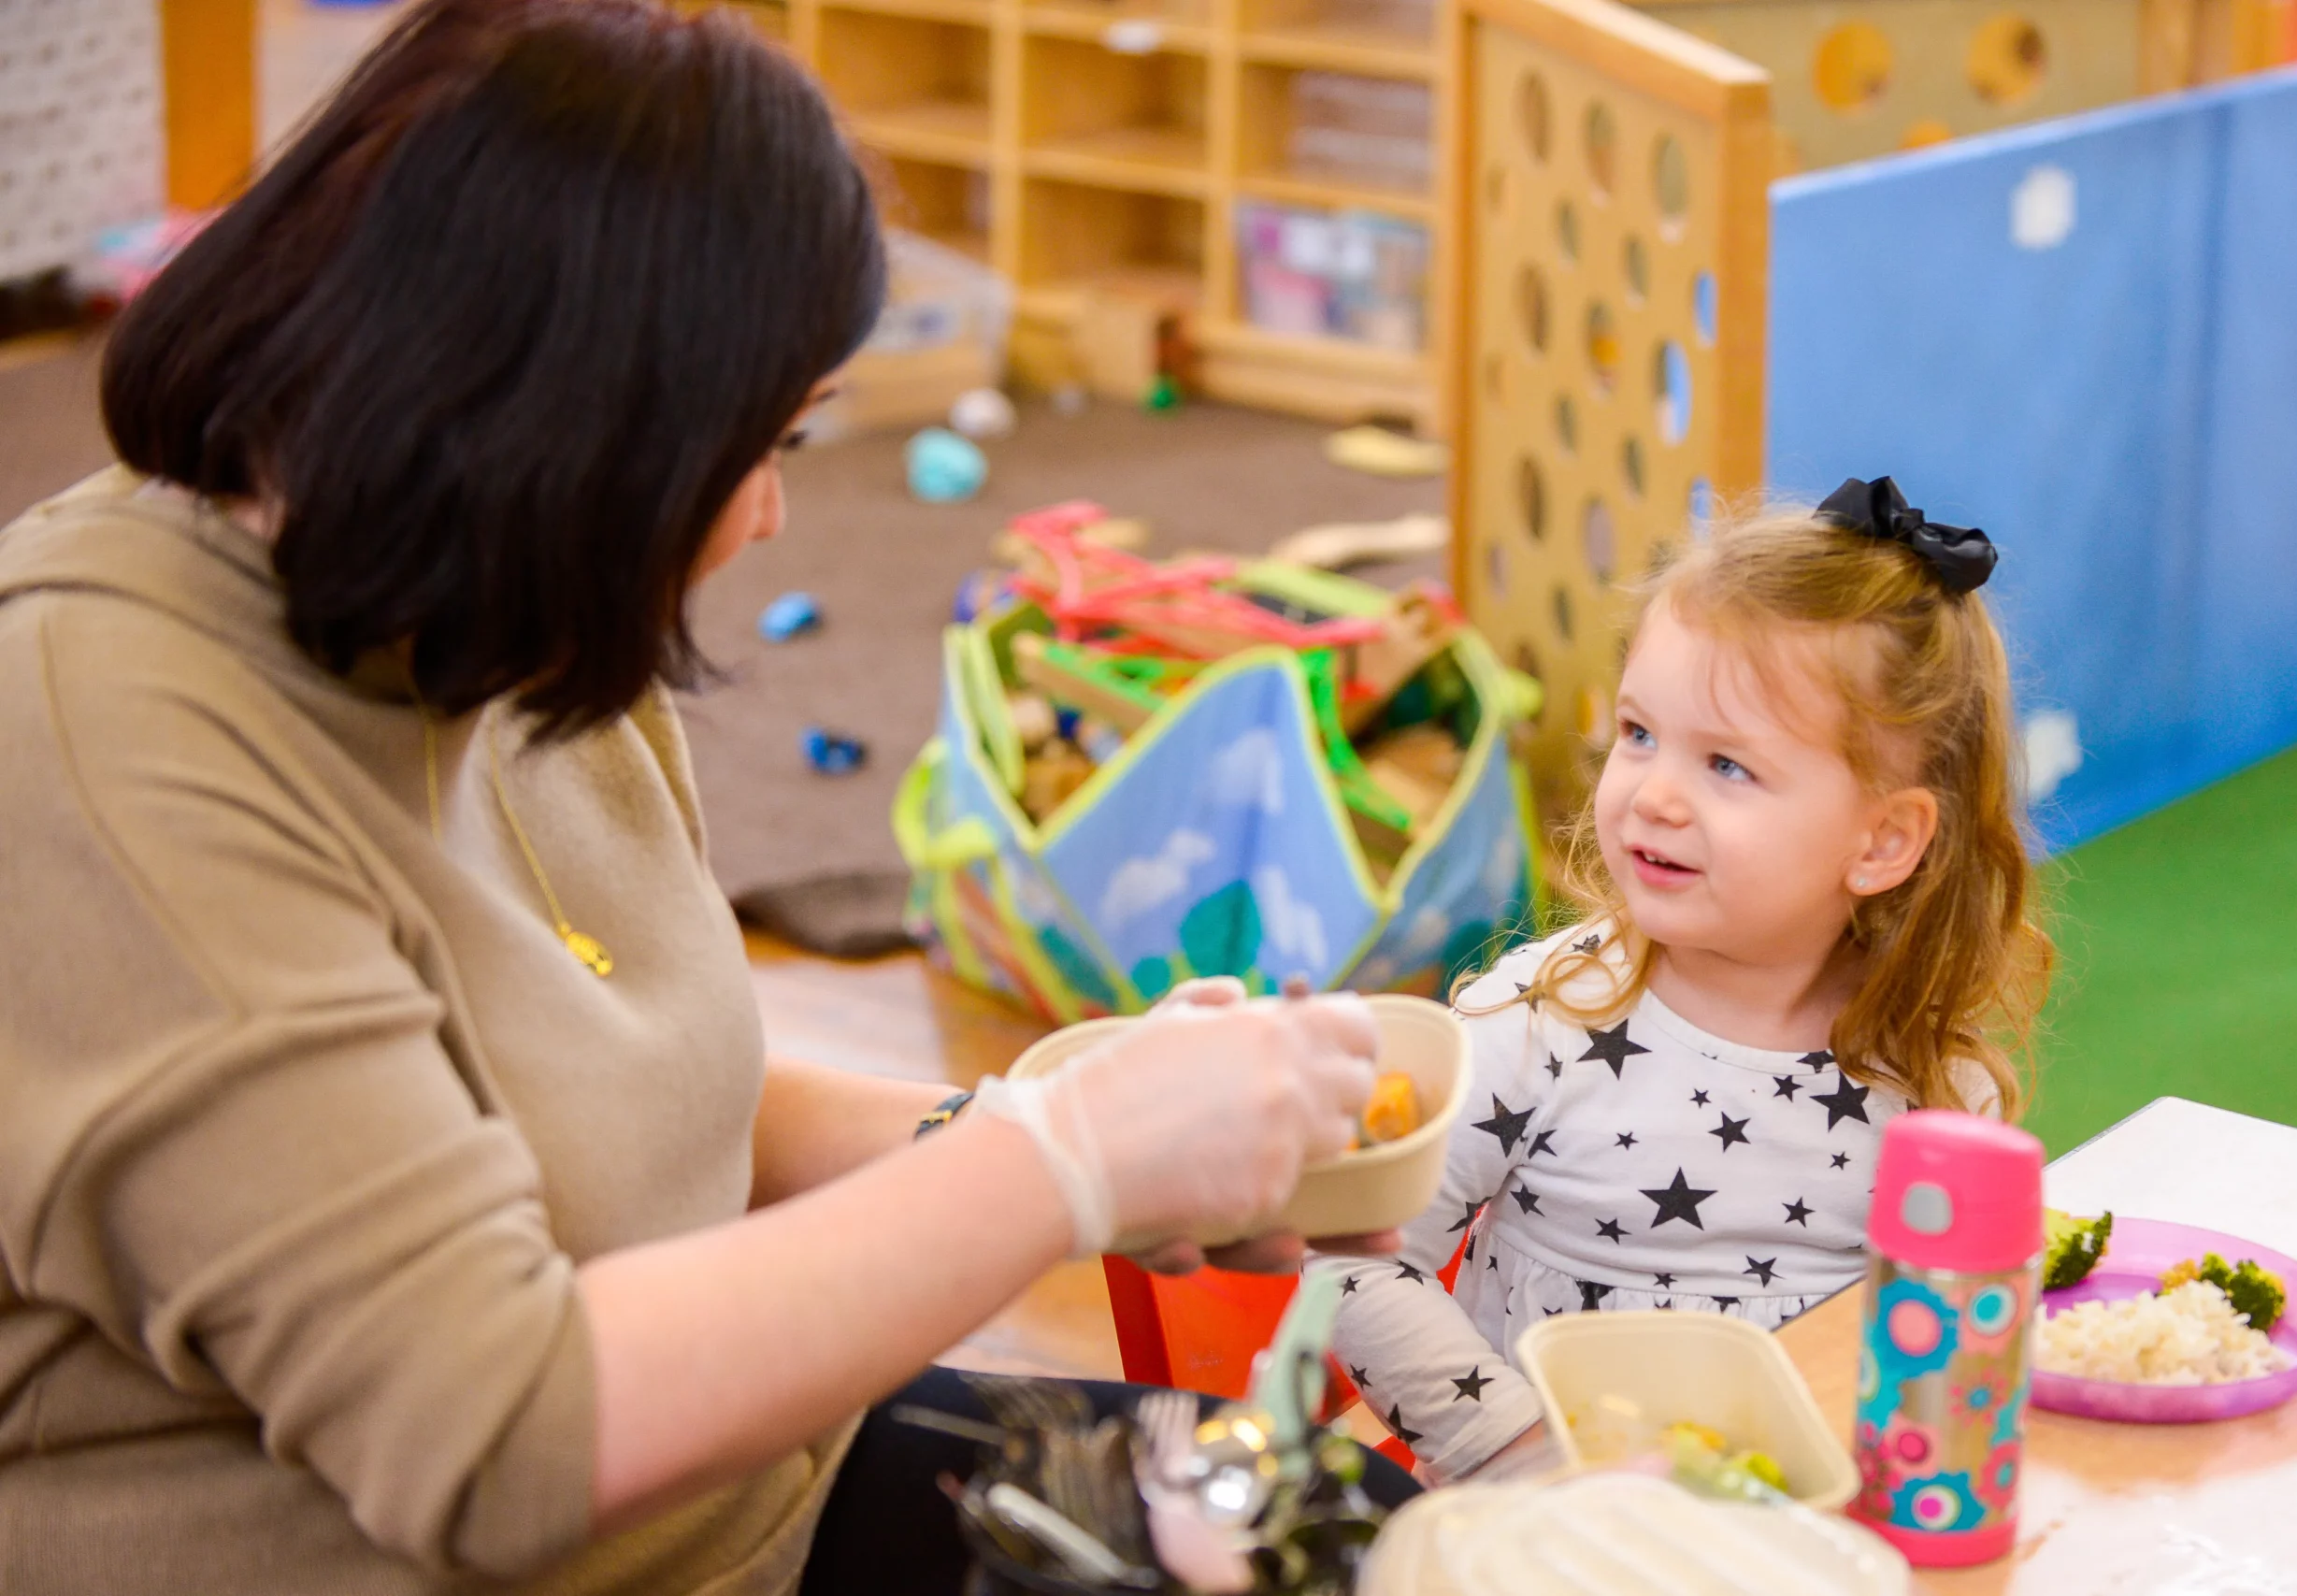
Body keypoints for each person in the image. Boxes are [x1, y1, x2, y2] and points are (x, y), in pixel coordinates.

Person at [0, 4, 1410, 1592]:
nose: (769, 511)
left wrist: (1052, 1131)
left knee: (1394, 1531)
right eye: (769, 439)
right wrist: (1064, 1161)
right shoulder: (100, 746)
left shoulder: (471, 595)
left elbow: (642, 1102)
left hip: (734, 1496)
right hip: (533, 1525)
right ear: (567, 427)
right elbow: (498, 1438)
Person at [1322, 481, 2055, 1484]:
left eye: (1728, 767)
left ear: (1881, 839)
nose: (1652, 795)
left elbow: (1940, 1349)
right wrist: (1518, 1452)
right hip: (1545, 1528)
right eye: (1638, 734)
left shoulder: (1928, 1079)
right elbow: (1354, 1255)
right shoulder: (1536, 1018)